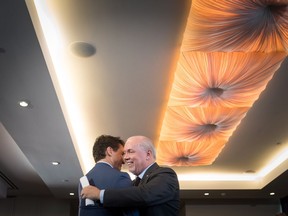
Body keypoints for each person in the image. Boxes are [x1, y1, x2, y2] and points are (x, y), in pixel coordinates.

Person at [81, 135, 180, 216]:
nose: (125, 158)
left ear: (148, 154)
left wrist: (100, 194)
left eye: (130, 151)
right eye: (124, 153)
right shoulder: (133, 184)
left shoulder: (166, 174)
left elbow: (145, 195)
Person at [78, 134, 136, 216]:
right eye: (122, 154)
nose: (124, 160)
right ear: (110, 151)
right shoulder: (121, 177)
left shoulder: (83, 180)